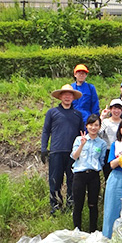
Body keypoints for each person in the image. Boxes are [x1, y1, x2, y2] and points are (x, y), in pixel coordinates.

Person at [41, 84, 85, 215]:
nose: (67, 97)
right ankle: (55, 207)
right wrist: (44, 148)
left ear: (73, 97)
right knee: (55, 180)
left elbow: (82, 133)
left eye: (70, 94)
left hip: (73, 153)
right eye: (64, 94)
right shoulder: (52, 112)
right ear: (60, 96)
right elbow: (45, 131)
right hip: (56, 151)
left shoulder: (77, 114)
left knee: (72, 180)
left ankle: (71, 206)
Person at [70, 114, 107, 232]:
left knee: (93, 204)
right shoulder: (78, 139)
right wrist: (82, 144)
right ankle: (77, 230)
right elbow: (74, 156)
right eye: (91, 125)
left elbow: (101, 160)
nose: (93, 127)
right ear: (87, 126)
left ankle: (93, 230)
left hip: (93, 175)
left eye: (96, 125)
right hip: (79, 174)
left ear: (100, 127)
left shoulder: (102, 143)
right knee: (78, 204)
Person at [99, 98, 122, 180]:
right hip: (107, 151)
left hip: (121, 151)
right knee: (108, 176)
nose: (116, 111)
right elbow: (98, 134)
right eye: (114, 108)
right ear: (110, 109)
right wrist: (102, 117)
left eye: (119, 108)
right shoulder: (105, 122)